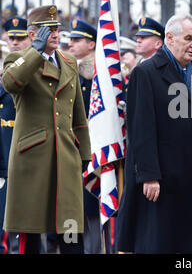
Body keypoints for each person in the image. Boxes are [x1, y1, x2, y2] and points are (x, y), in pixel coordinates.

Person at [117, 13, 192, 254]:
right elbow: (140, 129)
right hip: (162, 177)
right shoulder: (145, 73)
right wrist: (149, 175)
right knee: (161, 242)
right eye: (188, 38)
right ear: (169, 38)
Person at [2, 5, 91, 254]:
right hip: (33, 158)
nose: (55, 33)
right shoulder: (17, 59)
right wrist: (34, 52)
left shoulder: (69, 61)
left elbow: (78, 115)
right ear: (33, 34)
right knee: (30, 234)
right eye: (48, 29)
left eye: (57, 28)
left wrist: (84, 154)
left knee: (71, 229)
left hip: (66, 156)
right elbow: (11, 82)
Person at [68, 19, 102, 254]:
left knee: (92, 211)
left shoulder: (97, 75)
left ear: (91, 44)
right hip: (72, 148)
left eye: (77, 40)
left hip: (93, 150)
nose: (71, 44)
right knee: (73, 211)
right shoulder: (73, 71)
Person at [0, 16, 31, 254]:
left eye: (20, 38)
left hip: (24, 150)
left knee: (25, 221)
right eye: (12, 38)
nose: (15, 42)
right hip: (3, 153)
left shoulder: (33, 66)